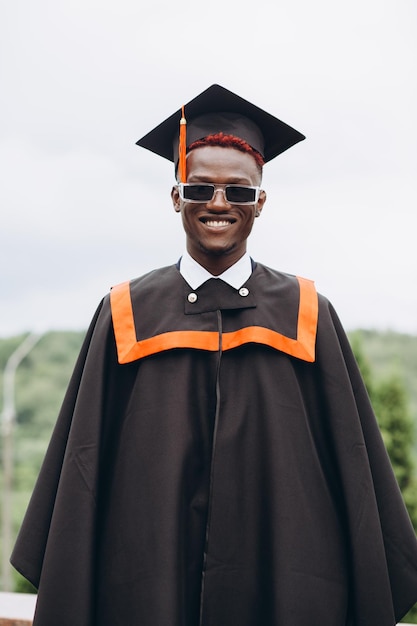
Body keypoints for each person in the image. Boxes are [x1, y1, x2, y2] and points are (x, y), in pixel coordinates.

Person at [11, 84, 417, 626]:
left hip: (286, 582)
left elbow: (355, 471)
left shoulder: (306, 313)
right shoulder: (127, 312)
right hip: (146, 584)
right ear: (176, 196)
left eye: (240, 192)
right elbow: (82, 466)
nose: (219, 205)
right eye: (200, 188)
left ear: (261, 202)